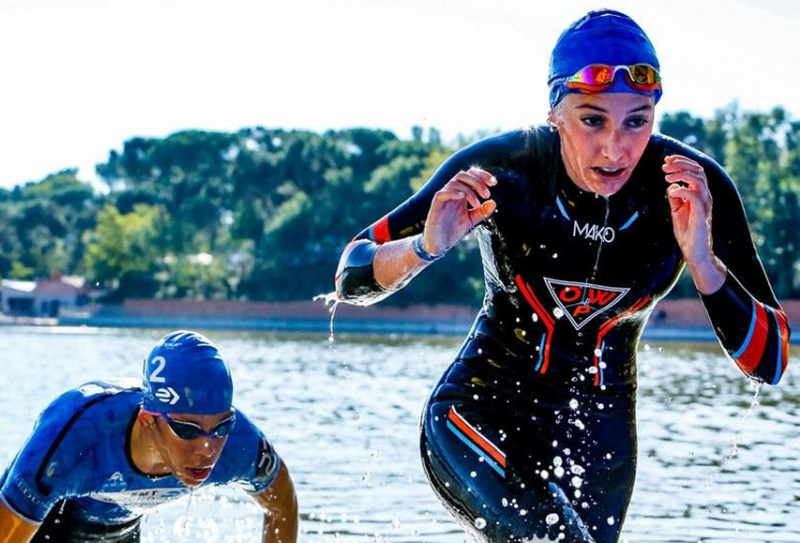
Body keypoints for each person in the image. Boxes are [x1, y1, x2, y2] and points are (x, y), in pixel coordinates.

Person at [334, 9, 790, 543]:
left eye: (636, 121)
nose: (614, 148)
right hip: (481, 408)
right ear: (555, 113)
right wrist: (426, 247)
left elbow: (772, 362)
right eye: (592, 120)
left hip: (600, 432)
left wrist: (705, 264)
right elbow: (351, 275)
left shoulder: (692, 186)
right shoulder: (505, 168)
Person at [0, 330, 297, 543]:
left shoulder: (240, 445)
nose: (208, 448)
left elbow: (282, 507)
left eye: (221, 427)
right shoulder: (79, 438)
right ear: (147, 421)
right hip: (49, 523)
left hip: (121, 530)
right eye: (187, 431)